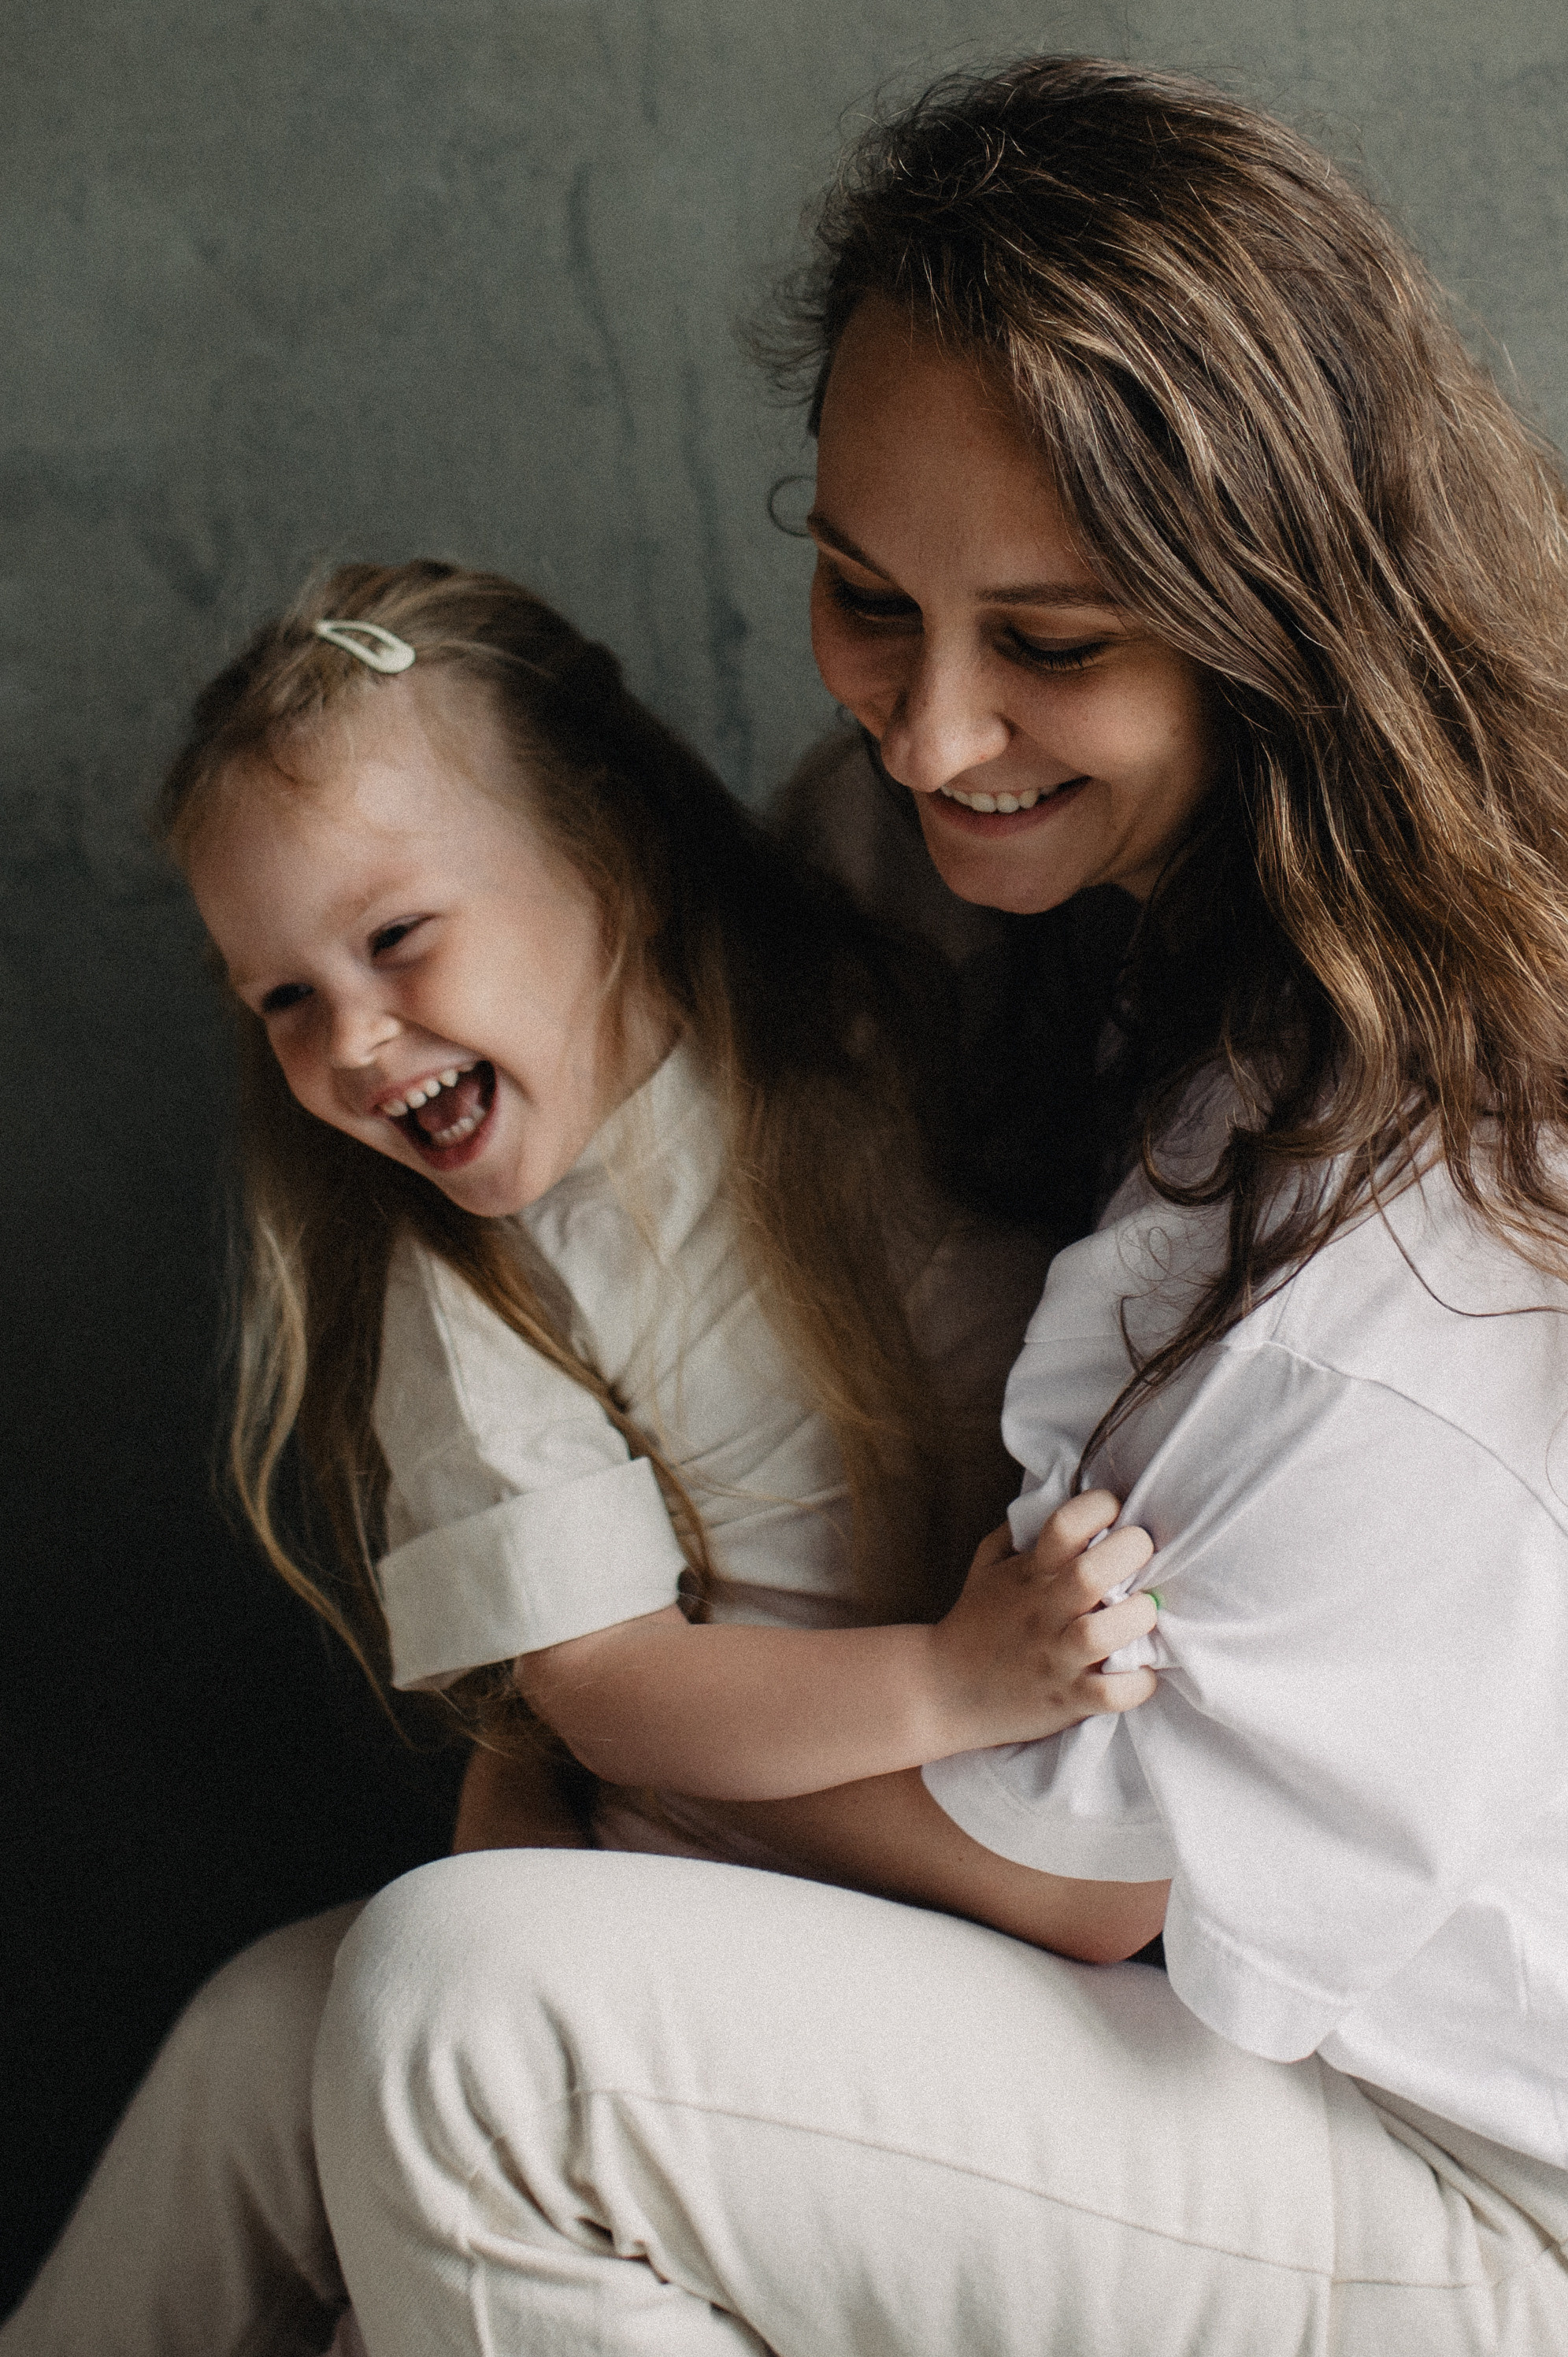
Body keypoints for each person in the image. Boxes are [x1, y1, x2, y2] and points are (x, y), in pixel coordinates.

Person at [297, 57, 1568, 2357]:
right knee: (272, 2041)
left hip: (1447, 2155)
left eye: (1054, 645)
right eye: (866, 595)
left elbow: (1094, 1875)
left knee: (474, 2016)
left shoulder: (1419, 1226)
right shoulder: (928, 864)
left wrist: (597, 1713)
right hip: (1111, 1969)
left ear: (1282, 624)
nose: (930, 730)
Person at [1, 558, 1158, 2357]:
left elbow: (946, 762)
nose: (350, 1040)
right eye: (281, 999)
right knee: (258, 2034)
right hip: (726, 1837)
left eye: (396, 938)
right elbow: (606, 1685)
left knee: (365, 2107)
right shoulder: (474, 1288)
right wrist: (947, 1680)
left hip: (892, 1879)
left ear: (605, 849)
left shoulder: (845, 974)